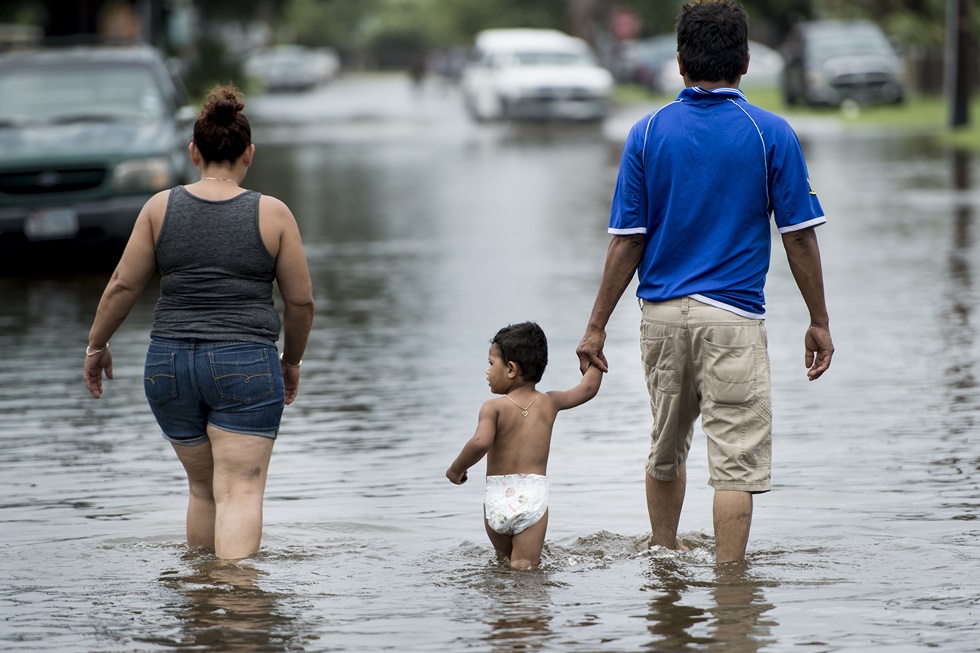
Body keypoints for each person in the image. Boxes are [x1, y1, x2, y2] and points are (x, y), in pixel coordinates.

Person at [576, 0, 834, 563]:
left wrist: (595, 328)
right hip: (734, 321)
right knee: (735, 462)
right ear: (744, 61)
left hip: (661, 317)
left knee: (665, 452)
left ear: (678, 62)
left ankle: (664, 564)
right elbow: (797, 237)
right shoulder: (770, 133)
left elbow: (627, 240)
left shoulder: (645, 134)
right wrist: (818, 320)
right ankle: (731, 587)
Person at [83, 85, 315, 560]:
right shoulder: (272, 214)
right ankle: (237, 607)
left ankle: (203, 606)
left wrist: (95, 346)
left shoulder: (159, 208)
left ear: (193, 152)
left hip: (168, 365)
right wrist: (291, 360)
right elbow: (301, 302)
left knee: (204, 489)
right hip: (245, 363)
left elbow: (122, 287)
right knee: (241, 491)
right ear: (248, 154)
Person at [447, 322, 603, 570]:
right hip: (532, 498)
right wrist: (592, 359)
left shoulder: (493, 407)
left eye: (490, 364)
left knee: (504, 563)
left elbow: (480, 442)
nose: (487, 371)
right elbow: (588, 388)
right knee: (524, 567)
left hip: (497, 498)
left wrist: (455, 470)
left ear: (510, 369)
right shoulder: (550, 402)